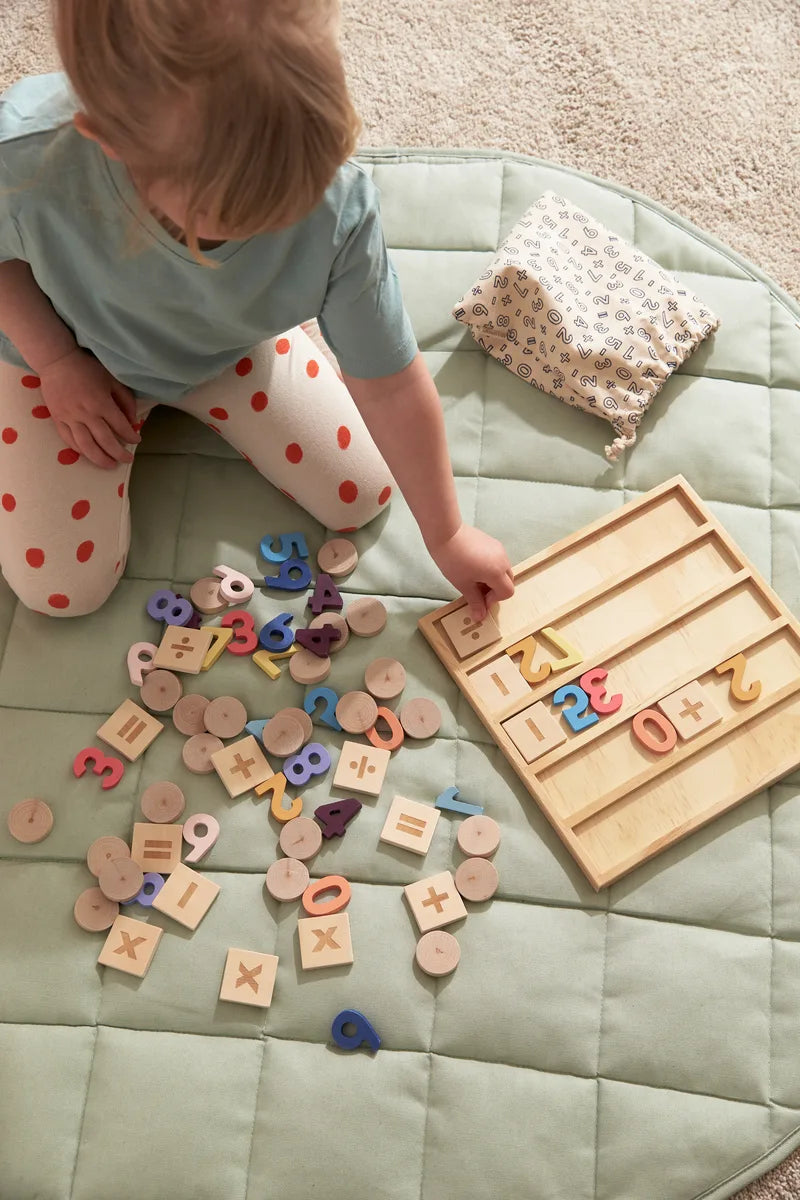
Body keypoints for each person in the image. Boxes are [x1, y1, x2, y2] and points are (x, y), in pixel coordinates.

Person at [0, 0, 514, 620]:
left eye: (299, 194)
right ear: (109, 141)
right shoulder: (24, 155)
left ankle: (261, 340)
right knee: (61, 593)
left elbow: (393, 385)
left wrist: (448, 535)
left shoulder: (338, 207)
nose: (284, 226)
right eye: (241, 218)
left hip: (221, 348)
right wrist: (54, 360)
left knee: (362, 491)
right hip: (54, 351)